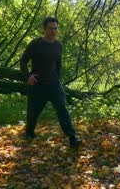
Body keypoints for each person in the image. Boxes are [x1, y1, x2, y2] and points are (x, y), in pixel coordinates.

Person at [20, 17, 82, 148]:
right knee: (33, 112)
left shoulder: (58, 45)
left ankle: (72, 137)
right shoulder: (35, 44)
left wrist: (58, 79)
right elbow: (23, 61)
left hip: (54, 84)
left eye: (55, 28)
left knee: (62, 110)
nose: (53, 31)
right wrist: (28, 76)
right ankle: (29, 133)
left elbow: (58, 64)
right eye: (50, 28)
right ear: (44, 29)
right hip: (37, 85)